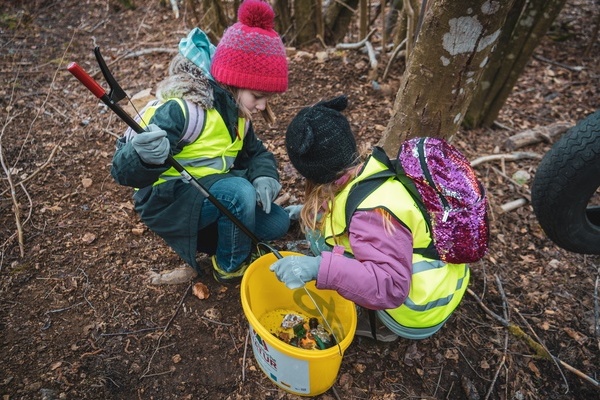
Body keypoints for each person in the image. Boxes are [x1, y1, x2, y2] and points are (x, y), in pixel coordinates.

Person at [111, 0, 290, 284]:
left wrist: (266, 176)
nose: (261, 106)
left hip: (211, 194)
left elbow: (256, 154)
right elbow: (122, 172)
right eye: (257, 96)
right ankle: (229, 266)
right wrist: (145, 156)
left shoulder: (238, 116)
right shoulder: (185, 110)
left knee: (277, 223)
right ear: (233, 81)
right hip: (167, 201)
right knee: (238, 192)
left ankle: (221, 237)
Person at [270, 96, 470, 341]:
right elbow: (346, 201)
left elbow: (392, 287)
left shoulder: (372, 214)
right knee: (324, 239)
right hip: (439, 278)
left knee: (325, 250)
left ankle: (383, 326)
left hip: (419, 306)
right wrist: (311, 210)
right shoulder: (373, 171)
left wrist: (319, 268)